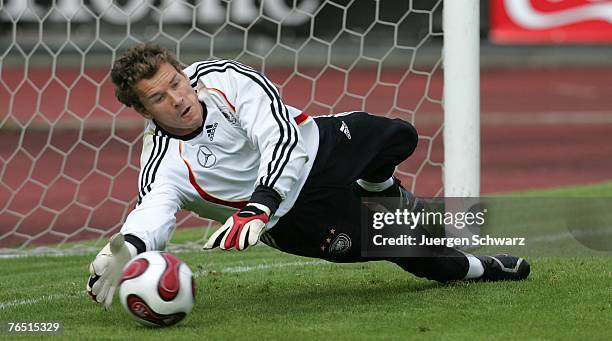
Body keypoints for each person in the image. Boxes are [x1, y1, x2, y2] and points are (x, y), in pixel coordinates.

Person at [87, 43, 530, 309]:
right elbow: (153, 213)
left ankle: (381, 189)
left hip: (318, 147)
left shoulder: (223, 77)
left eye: (177, 82)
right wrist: (126, 249)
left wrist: (260, 201)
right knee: (422, 254)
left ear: (185, 73)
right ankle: (481, 267)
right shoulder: (164, 162)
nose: (178, 98)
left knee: (399, 135)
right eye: (159, 98)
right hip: (299, 220)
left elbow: (278, 133)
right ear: (143, 111)